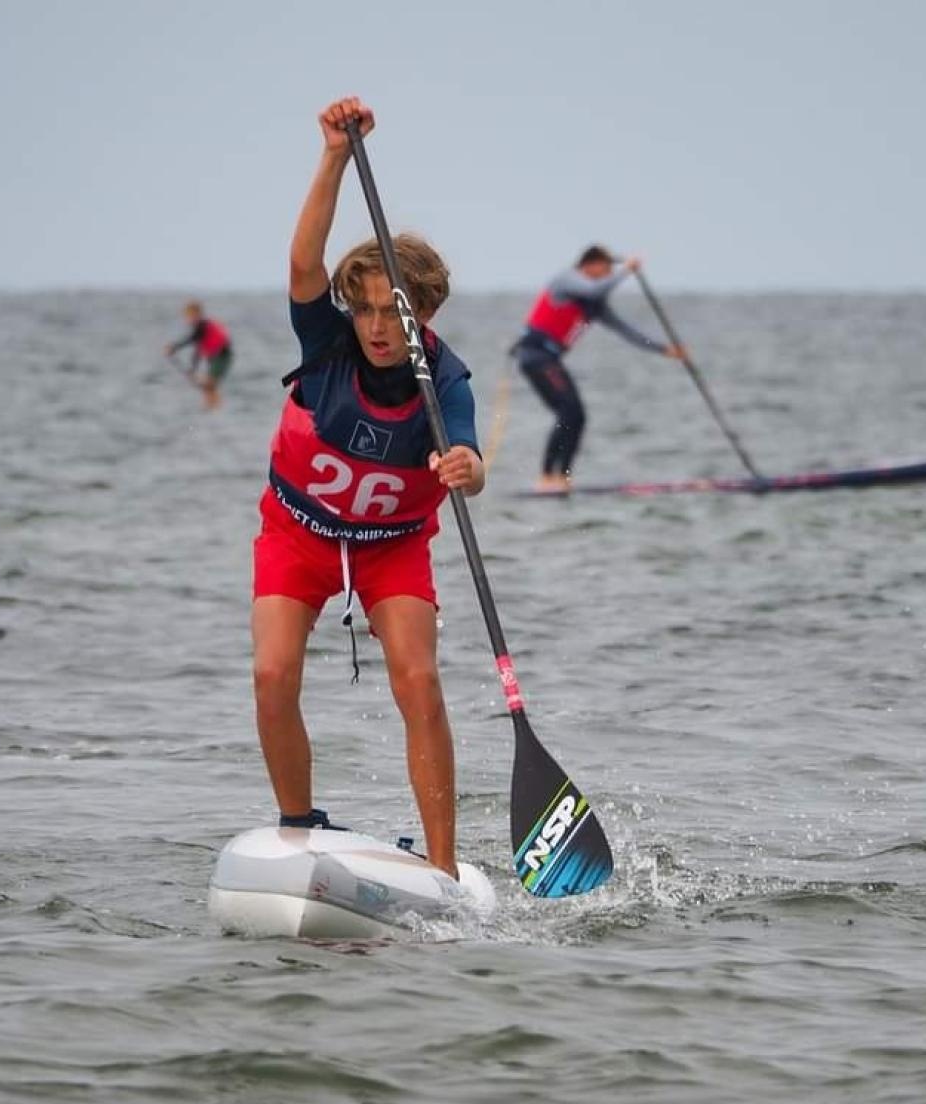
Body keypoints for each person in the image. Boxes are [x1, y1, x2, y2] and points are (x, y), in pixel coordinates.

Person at [250, 95, 485, 879]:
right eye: (368, 311)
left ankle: (445, 871)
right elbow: (302, 266)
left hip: (392, 549)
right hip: (298, 534)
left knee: (419, 681)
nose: (379, 328)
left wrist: (466, 468)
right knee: (271, 674)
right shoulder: (327, 343)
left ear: (428, 311)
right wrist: (334, 156)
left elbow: (470, 460)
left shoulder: (443, 381)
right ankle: (296, 828)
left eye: (396, 313)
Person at [513, 246, 684, 492]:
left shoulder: (594, 304)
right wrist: (626, 271)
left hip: (550, 360)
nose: (608, 275)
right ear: (589, 265)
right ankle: (547, 477)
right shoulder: (566, 280)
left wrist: (664, 349)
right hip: (535, 356)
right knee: (568, 411)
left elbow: (626, 330)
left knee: (576, 416)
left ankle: (562, 477)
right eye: (605, 269)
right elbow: (595, 288)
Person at [165, 301, 233, 410]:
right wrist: (192, 370)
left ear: (198, 315)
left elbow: (191, 339)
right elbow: (197, 352)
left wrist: (174, 347)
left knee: (209, 384)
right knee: (207, 386)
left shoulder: (202, 326)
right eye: (186, 316)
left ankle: (215, 408)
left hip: (222, 356)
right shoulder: (199, 330)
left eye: (190, 316)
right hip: (213, 357)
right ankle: (211, 408)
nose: (187, 319)